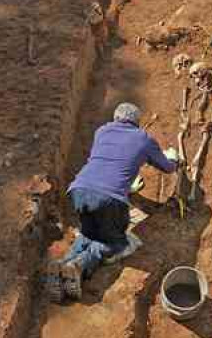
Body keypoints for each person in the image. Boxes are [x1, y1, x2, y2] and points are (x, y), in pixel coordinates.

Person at [47, 102, 178, 302]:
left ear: (116, 118)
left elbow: (106, 161)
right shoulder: (143, 139)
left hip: (80, 190)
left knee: (91, 233)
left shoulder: (102, 131)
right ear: (136, 122)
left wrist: (128, 186)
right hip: (109, 199)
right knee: (114, 242)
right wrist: (173, 159)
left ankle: (62, 266)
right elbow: (167, 167)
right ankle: (80, 265)